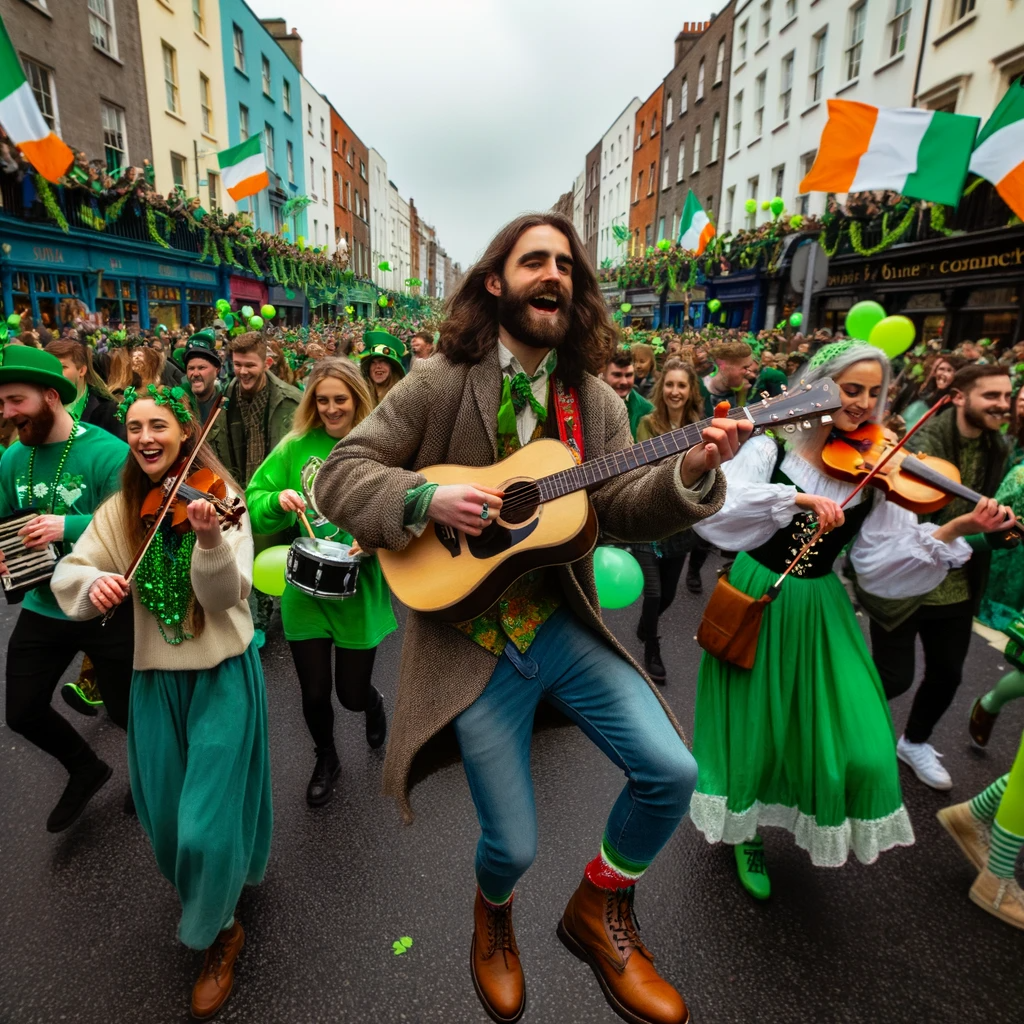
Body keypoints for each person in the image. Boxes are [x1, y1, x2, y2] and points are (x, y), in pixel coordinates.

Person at [314, 212, 747, 1024]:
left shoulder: (594, 399)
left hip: (561, 626)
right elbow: (339, 473)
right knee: (510, 846)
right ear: (496, 281)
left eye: (566, 265)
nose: (553, 274)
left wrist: (688, 471)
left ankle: (599, 909)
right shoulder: (442, 380)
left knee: (673, 773)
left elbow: (617, 508)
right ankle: (495, 914)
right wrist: (422, 496)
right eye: (534, 260)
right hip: (471, 645)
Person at [689, 341, 1012, 900]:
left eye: (872, 392)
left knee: (863, 742)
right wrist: (792, 504)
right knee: (756, 725)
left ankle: (800, 807)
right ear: (820, 385)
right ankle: (746, 833)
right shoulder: (772, 448)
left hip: (822, 606)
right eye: (850, 388)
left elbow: (881, 566)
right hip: (760, 594)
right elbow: (721, 511)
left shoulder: (877, 466)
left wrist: (959, 530)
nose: (862, 403)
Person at [50, 383, 272, 1020]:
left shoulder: (221, 498)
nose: (147, 436)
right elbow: (72, 569)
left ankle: (222, 932)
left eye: (160, 425)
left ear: (183, 432)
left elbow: (227, 596)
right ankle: (222, 890)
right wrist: (93, 585)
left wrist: (208, 543)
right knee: (166, 822)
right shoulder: (124, 509)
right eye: (136, 426)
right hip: (156, 679)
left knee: (204, 821)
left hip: (222, 674)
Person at [246, 358, 396, 807]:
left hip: (359, 589)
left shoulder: (382, 445)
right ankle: (325, 757)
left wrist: (377, 538)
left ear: (357, 400)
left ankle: (372, 704)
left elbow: (408, 506)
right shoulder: (294, 447)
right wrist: (277, 498)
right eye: (323, 400)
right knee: (313, 691)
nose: (331, 409)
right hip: (305, 589)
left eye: (341, 400)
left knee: (349, 694)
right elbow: (254, 498)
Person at [862, 365, 1015, 791]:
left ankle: (915, 742)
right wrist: (971, 529)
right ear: (960, 397)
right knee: (893, 677)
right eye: (992, 396)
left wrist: (996, 532)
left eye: (1007, 395)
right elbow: (906, 528)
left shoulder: (997, 446)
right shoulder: (924, 443)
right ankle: (844, 734)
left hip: (957, 582)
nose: (1003, 404)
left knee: (948, 673)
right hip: (906, 574)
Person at [0, 346, 133, 832]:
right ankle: (85, 767)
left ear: (50, 398)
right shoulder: (12, 458)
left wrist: (68, 524)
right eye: (3, 403)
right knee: (21, 711)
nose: (8, 413)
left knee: (126, 712)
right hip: (43, 602)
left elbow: (131, 529)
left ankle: (148, 774)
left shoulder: (106, 452)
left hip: (105, 601)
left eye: (16, 401)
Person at [209, 330, 302, 644]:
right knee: (243, 556)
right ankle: (255, 620)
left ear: (268, 362)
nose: (243, 371)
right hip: (239, 487)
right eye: (237, 364)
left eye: (249, 364)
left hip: (274, 492)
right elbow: (216, 445)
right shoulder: (225, 398)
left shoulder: (290, 400)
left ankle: (273, 616)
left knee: (275, 552)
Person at [634, 359, 705, 681]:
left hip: (681, 523)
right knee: (652, 593)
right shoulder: (648, 423)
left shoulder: (701, 426)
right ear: (662, 388)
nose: (675, 391)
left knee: (667, 596)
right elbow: (647, 470)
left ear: (690, 391)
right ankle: (652, 646)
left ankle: (646, 624)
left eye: (681, 385)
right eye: (670, 384)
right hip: (650, 519)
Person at [45, 338, 123, 440]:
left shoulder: (107, 409)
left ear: (82, 370)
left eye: (62, 367)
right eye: (50, 367)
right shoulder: (38, 404)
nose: (55, 373)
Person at [602, 348, 653, 440]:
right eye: (617, 375)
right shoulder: (589, 405)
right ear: (603, 374)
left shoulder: (647, 410)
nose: (624, 382)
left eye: (629, 375)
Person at [900, 354, 962, 430]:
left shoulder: (954, 404)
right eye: (941, 369)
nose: (943, 374)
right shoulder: (928, 396)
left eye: (949, 370)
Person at [699, 340, 754, 417]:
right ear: (724, 367)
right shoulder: (699, 391)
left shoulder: (736, 391)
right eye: (745, 367)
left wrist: (742, 396)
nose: (750, 374)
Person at [182, 330, 223, 424]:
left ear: (216, 370)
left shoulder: (226, 403)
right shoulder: (178, 405)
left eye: (201, 368)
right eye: (191, 368)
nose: (195, 374)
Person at [360, 332, 406, 407]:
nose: (378, 366)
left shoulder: (404, 398)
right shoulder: (360, 397)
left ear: (392, 367)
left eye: (383, 361)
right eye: (373, 362)